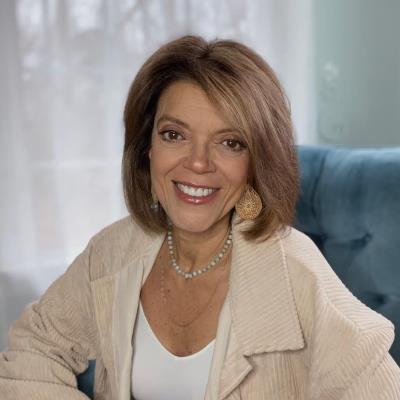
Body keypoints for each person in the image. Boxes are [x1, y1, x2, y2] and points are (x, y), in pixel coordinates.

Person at [1, 35, 399, 400]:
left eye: (230, 143)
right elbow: (34, 350)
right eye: (174, 135)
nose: (197, 162)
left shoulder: (295, 269)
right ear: (147, 147)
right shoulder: (112, 250)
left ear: (255, 163)